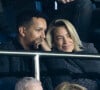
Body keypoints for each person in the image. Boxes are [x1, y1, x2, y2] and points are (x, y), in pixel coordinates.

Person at [0, 10, 53, 90]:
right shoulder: (5, 51)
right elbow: (3, 82)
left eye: (44, 31)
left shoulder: (42, 49)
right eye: (38, 30)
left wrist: (48, 52)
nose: (43, 36)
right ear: (22, 31)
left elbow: (59, 77)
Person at [44, 19, 100, 90]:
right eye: (59, 38)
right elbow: (62, 84)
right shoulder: (53, 60)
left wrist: (74, 83)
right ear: (53, 42)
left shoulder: (88, 49)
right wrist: (49, 52)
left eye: (69, 35)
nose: (66, 41)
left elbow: (97, 80)